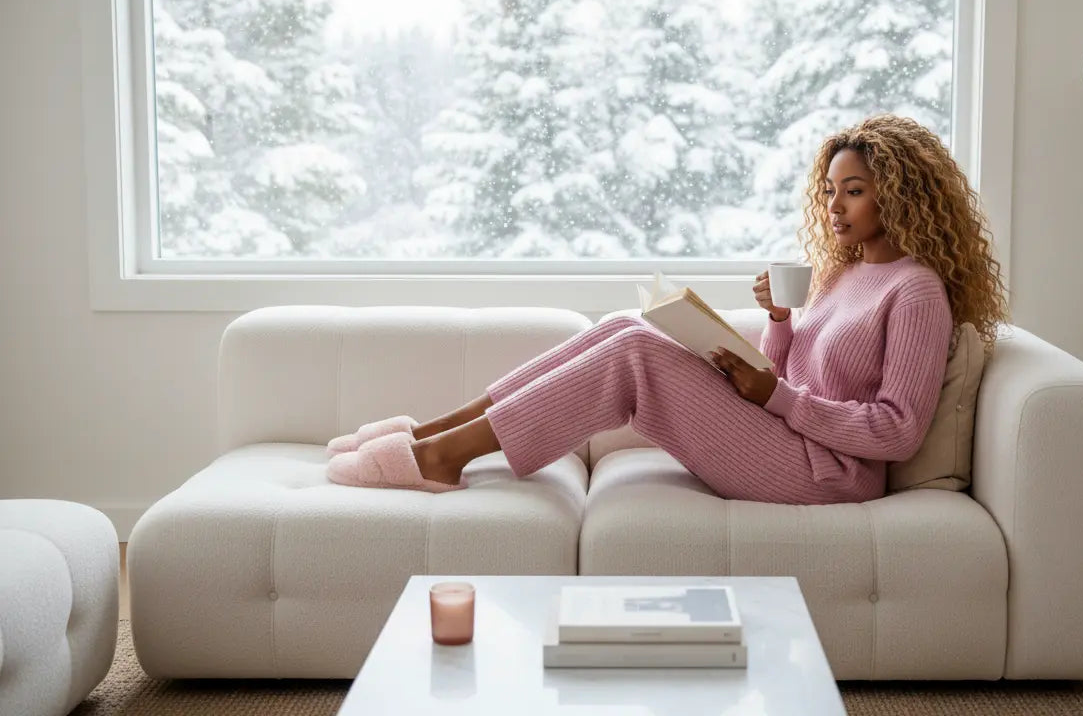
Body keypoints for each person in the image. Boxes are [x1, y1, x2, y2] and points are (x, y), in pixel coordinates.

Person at [326, 114, 1011, 503]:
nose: (834, 207)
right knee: (626, 326)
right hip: (792, 436)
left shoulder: (916, 290)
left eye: (853, 191)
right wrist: (778, 327)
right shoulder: (846, 272)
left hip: (831, 473)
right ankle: (431, 433)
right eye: (830, 191)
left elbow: (896, 432)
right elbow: (796, 374)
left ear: (898, 195)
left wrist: (775, 396)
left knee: (633, 355)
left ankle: (442, 458)